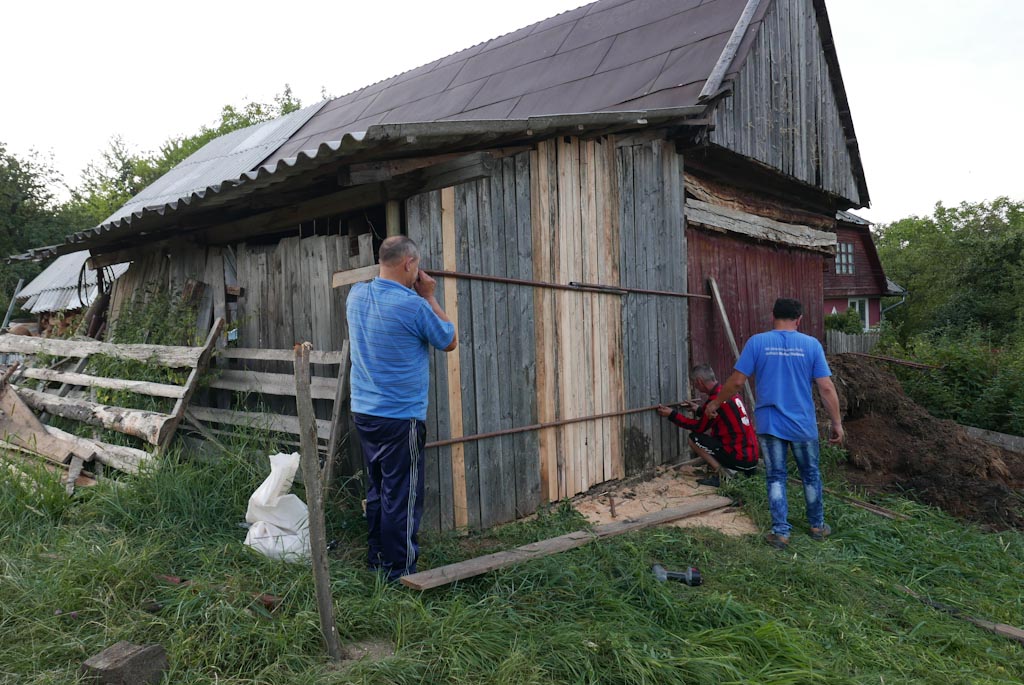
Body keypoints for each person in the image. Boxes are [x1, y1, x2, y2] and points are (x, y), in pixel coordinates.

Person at [346, 236, 457, 581]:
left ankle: (377, 559)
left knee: (378, 488)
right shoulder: (414, 306)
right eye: (416, 266)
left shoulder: (355, 296)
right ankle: (399, 570)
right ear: (410, 263)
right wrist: (429, 296)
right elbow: (449, 339)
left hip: (365, 412)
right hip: (400, 417)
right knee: (402, 494)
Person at [705, 297, 844, 550]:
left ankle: (780, 533)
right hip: (803, 424)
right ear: (799, 319)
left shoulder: (757, 343)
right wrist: (837, 423)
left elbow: (737, 382)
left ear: (773, 316)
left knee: (776, 477)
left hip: (770, 424)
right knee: (810, 474)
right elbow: (826, 387)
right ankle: (817, 526)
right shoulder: (811, 345)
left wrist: (715, 403)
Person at [655, 364, 759, 487]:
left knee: (693, 439)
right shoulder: (727, 393)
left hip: (740, 459)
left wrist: (672, 415)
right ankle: (734, 471)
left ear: (699, 381)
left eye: (694, 383)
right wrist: (699, 410)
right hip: (752, 460)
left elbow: (699, 427)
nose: (695, 386)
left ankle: (724, 475)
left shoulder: (715, 400)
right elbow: (720, 415)